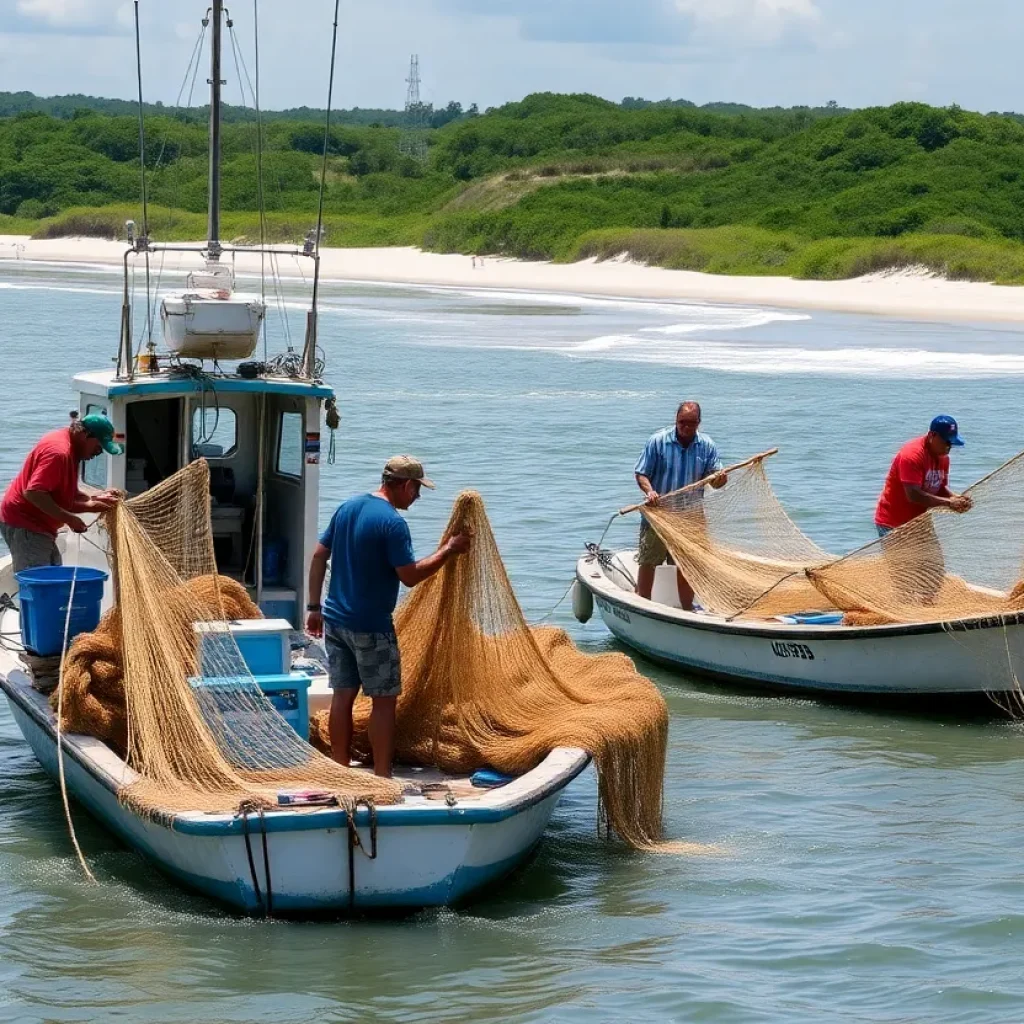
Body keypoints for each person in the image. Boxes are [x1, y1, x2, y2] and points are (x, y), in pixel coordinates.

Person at [305, 455, 471, 778]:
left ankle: (341, 772)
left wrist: (314, 608)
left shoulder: (347, 508)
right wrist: (448, 550)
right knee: (384, 701)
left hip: (336, 622)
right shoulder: (393, 524)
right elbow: (408, 575)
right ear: (405, 485)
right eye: (417, 490)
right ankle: (382, 777)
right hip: (371, 627)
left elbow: (318, 556)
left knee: (343, 696)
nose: (418, 497)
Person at [0, 413, 122, 573]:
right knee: (39, 582)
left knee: (54, 575)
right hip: (26, 523)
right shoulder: (59, 453)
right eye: (98, 447)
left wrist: (95, 498)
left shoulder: (72, 448)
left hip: (40, 525)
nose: (97, 453)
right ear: (85, 435)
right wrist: (69, 519)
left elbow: (61, 494)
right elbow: (34, 493)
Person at [634, 401, 727, 610]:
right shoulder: (658, 441)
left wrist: (720, 479)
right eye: (682, 422)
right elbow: (641, 473)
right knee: (649, 562)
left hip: (690, 517)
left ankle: (686, 609)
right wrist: (650, 491)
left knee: (688, 565)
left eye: (691, 423)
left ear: (699, 423)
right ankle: (642, 605)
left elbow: (715, 480)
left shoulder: (706, 445)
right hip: (659, 515)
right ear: (675, 420)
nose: (686, 427)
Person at [874, 416, 972, 536]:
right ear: (932, 436)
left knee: (934, 556)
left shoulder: (943, 458)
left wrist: (956, 498)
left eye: (951, 443)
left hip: (920, 522)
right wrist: (949, 503)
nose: (949, 447)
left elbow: (938, 487)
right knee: (903, 556)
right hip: (894, 523)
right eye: (946, 441)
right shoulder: (912, 455)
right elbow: (913, 495)